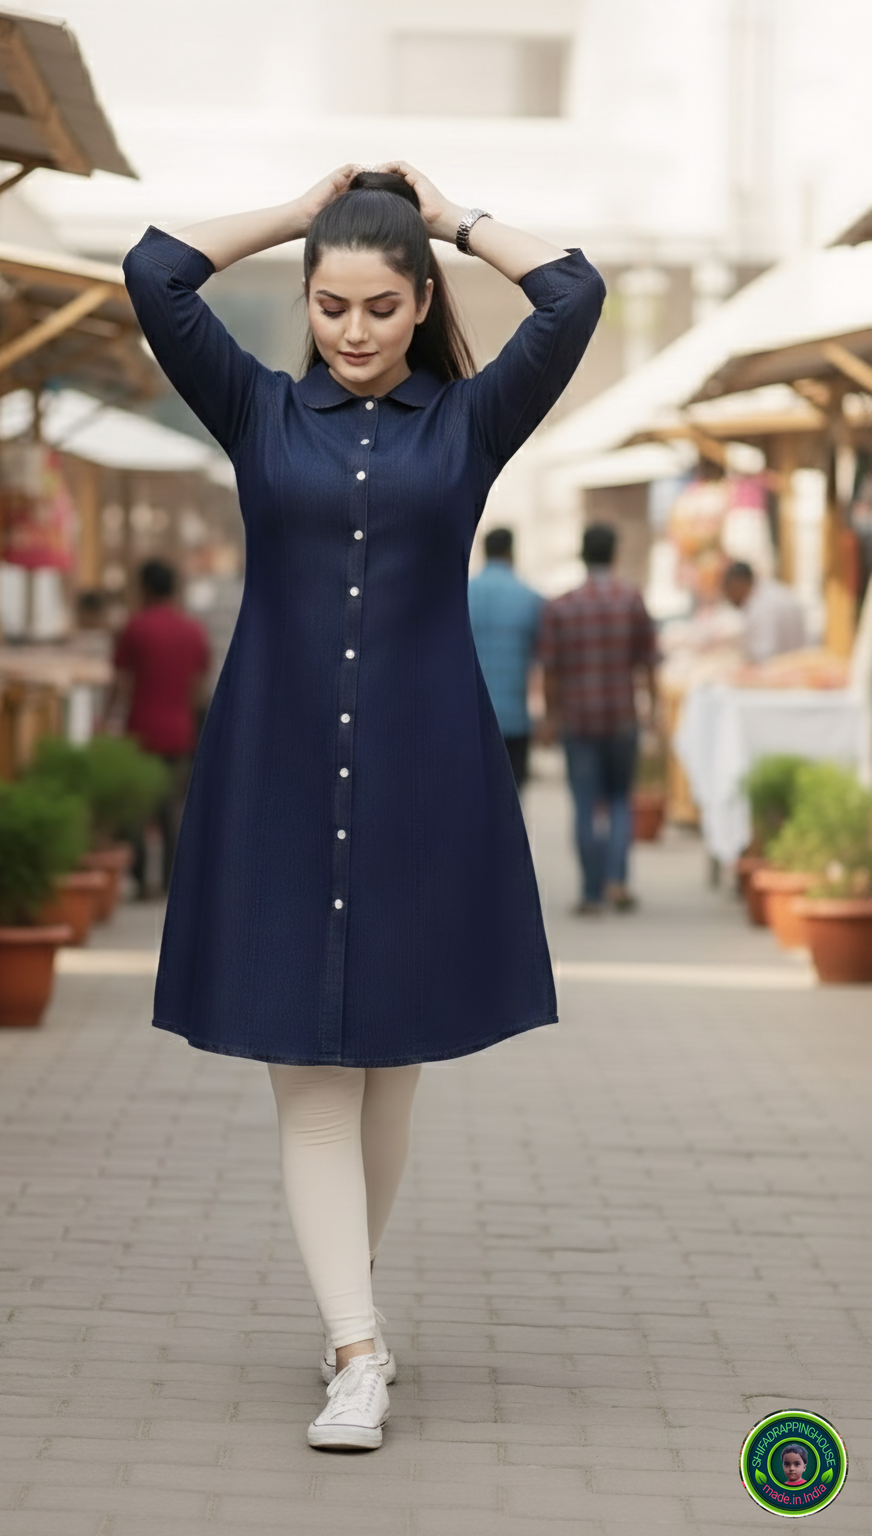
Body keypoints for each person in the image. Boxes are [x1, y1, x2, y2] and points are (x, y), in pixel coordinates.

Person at [124, 163, 604, 1450]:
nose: (352, 330)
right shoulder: (256, 409)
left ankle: (351, 1302)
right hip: (277, 777)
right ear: (306, 300)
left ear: (422, 302)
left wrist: (448, 217)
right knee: (315, 1086)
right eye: (330, 304)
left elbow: (572, 294)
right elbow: (155, 270)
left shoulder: (473, 423)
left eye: (382, 307)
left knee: (389, 1073)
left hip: (423, 780)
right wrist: (302, 213)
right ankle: (356, 1350)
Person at [539, 523, 657, 915]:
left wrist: (550, 717)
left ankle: (591, 894)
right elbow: (648, 662)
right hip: (622, 716)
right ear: (614, 554)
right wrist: (653, 711)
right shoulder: (631, 600)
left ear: (582, 555)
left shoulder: (562, 606)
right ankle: (617, 881)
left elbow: (550, 670)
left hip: (578, 720)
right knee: (621, 799)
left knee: (586, 804)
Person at [111, 559, 210, 896]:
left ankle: (141, 879)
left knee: (137, 809)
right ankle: (171, 881)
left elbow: (122, 682)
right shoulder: (193, 630)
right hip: (179, 731)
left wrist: (109, 721)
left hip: (140, 729)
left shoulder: (135, 628)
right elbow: (199, 687)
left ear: (146, 588)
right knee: (172, 810)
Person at [467, 527, 545, 786]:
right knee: (512, 794)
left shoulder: (463, 594)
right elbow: (542, 660)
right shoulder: (531, 598)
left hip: (470, 717)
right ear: (511, 552)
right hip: (515, 718)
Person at [723, 559, 806, 662]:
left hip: (781, 666)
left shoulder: (762, 608)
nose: (728, 598)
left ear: (737, 584)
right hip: (791, 661)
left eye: (728, 591)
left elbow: (764, 656)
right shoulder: (770, 592)